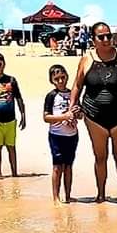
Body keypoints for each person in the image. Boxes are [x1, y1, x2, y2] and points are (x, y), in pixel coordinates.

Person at [70, 22, 117, 203]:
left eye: (108, 36)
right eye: (100, 37)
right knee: (100, 157)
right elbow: (77, 85)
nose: (105, 40)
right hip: (94, 116)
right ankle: (101, 194)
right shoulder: (86, 59)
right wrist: (72, 105)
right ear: (93, 39)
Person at [43, 64, 81, 204]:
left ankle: (68, 195)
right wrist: (64, 117)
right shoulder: (51, 96)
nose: (60, 81)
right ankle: (56, 197)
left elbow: (81, 115)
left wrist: (77, 113)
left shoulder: (73, 94)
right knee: (57, 167)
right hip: (56, 136)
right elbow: (46, 118)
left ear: (67, 77)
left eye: (63, 77)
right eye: (57, 79)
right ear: (52, 80)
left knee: (69, 166)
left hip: (72, 135)